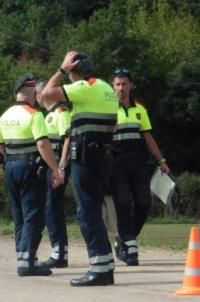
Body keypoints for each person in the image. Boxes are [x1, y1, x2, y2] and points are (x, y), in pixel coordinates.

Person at [40, 52, 118, 286]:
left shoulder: (85, 87)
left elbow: (47, 95)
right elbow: (113, 125)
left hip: (87, 154)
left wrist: (61, 69)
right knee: (93, 209)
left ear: (75, 71)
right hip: (104, 153)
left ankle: (99, 269)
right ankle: (105, 264)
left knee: (86, 211)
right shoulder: (106, 88)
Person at [0, 74, 64, 276]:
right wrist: (56, 168)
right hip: (30, 168)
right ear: (31, 93)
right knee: (34, 214)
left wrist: (12, 157)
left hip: (10, 166)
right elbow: (42, 144)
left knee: (19, 215)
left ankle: (24, 256)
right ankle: (27, 262)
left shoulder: (5, 116)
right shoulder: (35, 115)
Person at [110, 67, 170, 266]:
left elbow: (148, 137)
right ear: (112, 86)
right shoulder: (108, 109)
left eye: (124, 84)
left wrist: (161, 161)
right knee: (124, 205)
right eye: (117, 84)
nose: (121, 88)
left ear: (131, 86)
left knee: (144, 204)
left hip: (137, 162)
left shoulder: (140, 109)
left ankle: (124, 238)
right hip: (117, 163)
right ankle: (131, 248)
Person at [36, 80, 72, 267]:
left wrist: (62, 167)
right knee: (51, 206)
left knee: (52, 206)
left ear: (42, 95)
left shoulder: (60, 112)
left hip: (57, 167)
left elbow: (68, 138)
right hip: (52, 167)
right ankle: (59, 251)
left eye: (37, 95)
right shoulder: (46, 115)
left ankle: (59, 252)